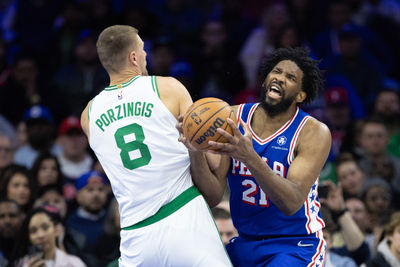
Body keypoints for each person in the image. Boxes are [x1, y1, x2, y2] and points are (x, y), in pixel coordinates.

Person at [80, 25, 231, 266]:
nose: (146, 55)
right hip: (183, 218)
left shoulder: (88, 115)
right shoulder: (167, 88)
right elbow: (212, 160)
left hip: (135, 236)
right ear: (133, 57)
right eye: (143, 49)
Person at [178, 47, 331, 266]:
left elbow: (291, 202)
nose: (279, 78)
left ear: (301, 95)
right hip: (245, 243)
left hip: (295, 245)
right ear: (265, 80)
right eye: (276, 71)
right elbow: (212, 196)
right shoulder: (231, 118)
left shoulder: (313, 132)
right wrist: (195, 152)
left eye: (290, 77)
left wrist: (250, 158)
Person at [12, 206, 86, 267]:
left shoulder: (75, 263)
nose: (40, 235)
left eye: (45, 228)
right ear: (28, 237)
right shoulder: (19, 264)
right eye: (33, 231)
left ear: (55, 230)